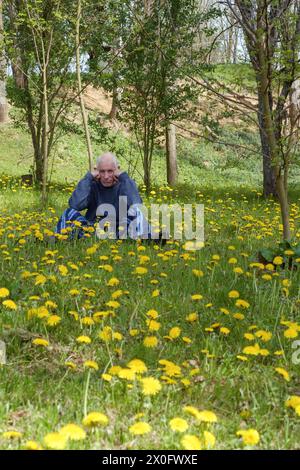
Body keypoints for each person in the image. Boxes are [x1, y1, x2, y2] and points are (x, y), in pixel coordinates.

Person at [55, 152, 153, 241]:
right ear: (97, 171)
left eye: (110, 171)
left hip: (120, 230)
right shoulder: (92, 185)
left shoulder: (125, 184)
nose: (106, 176)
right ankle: (57, 239)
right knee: (69, 212)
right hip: (92, 230)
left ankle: (148, 238)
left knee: (137, 212)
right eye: (102, 171)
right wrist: (88, 177)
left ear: (117, 170)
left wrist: (124, 177)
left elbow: (136, 203)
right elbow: (75, 205)